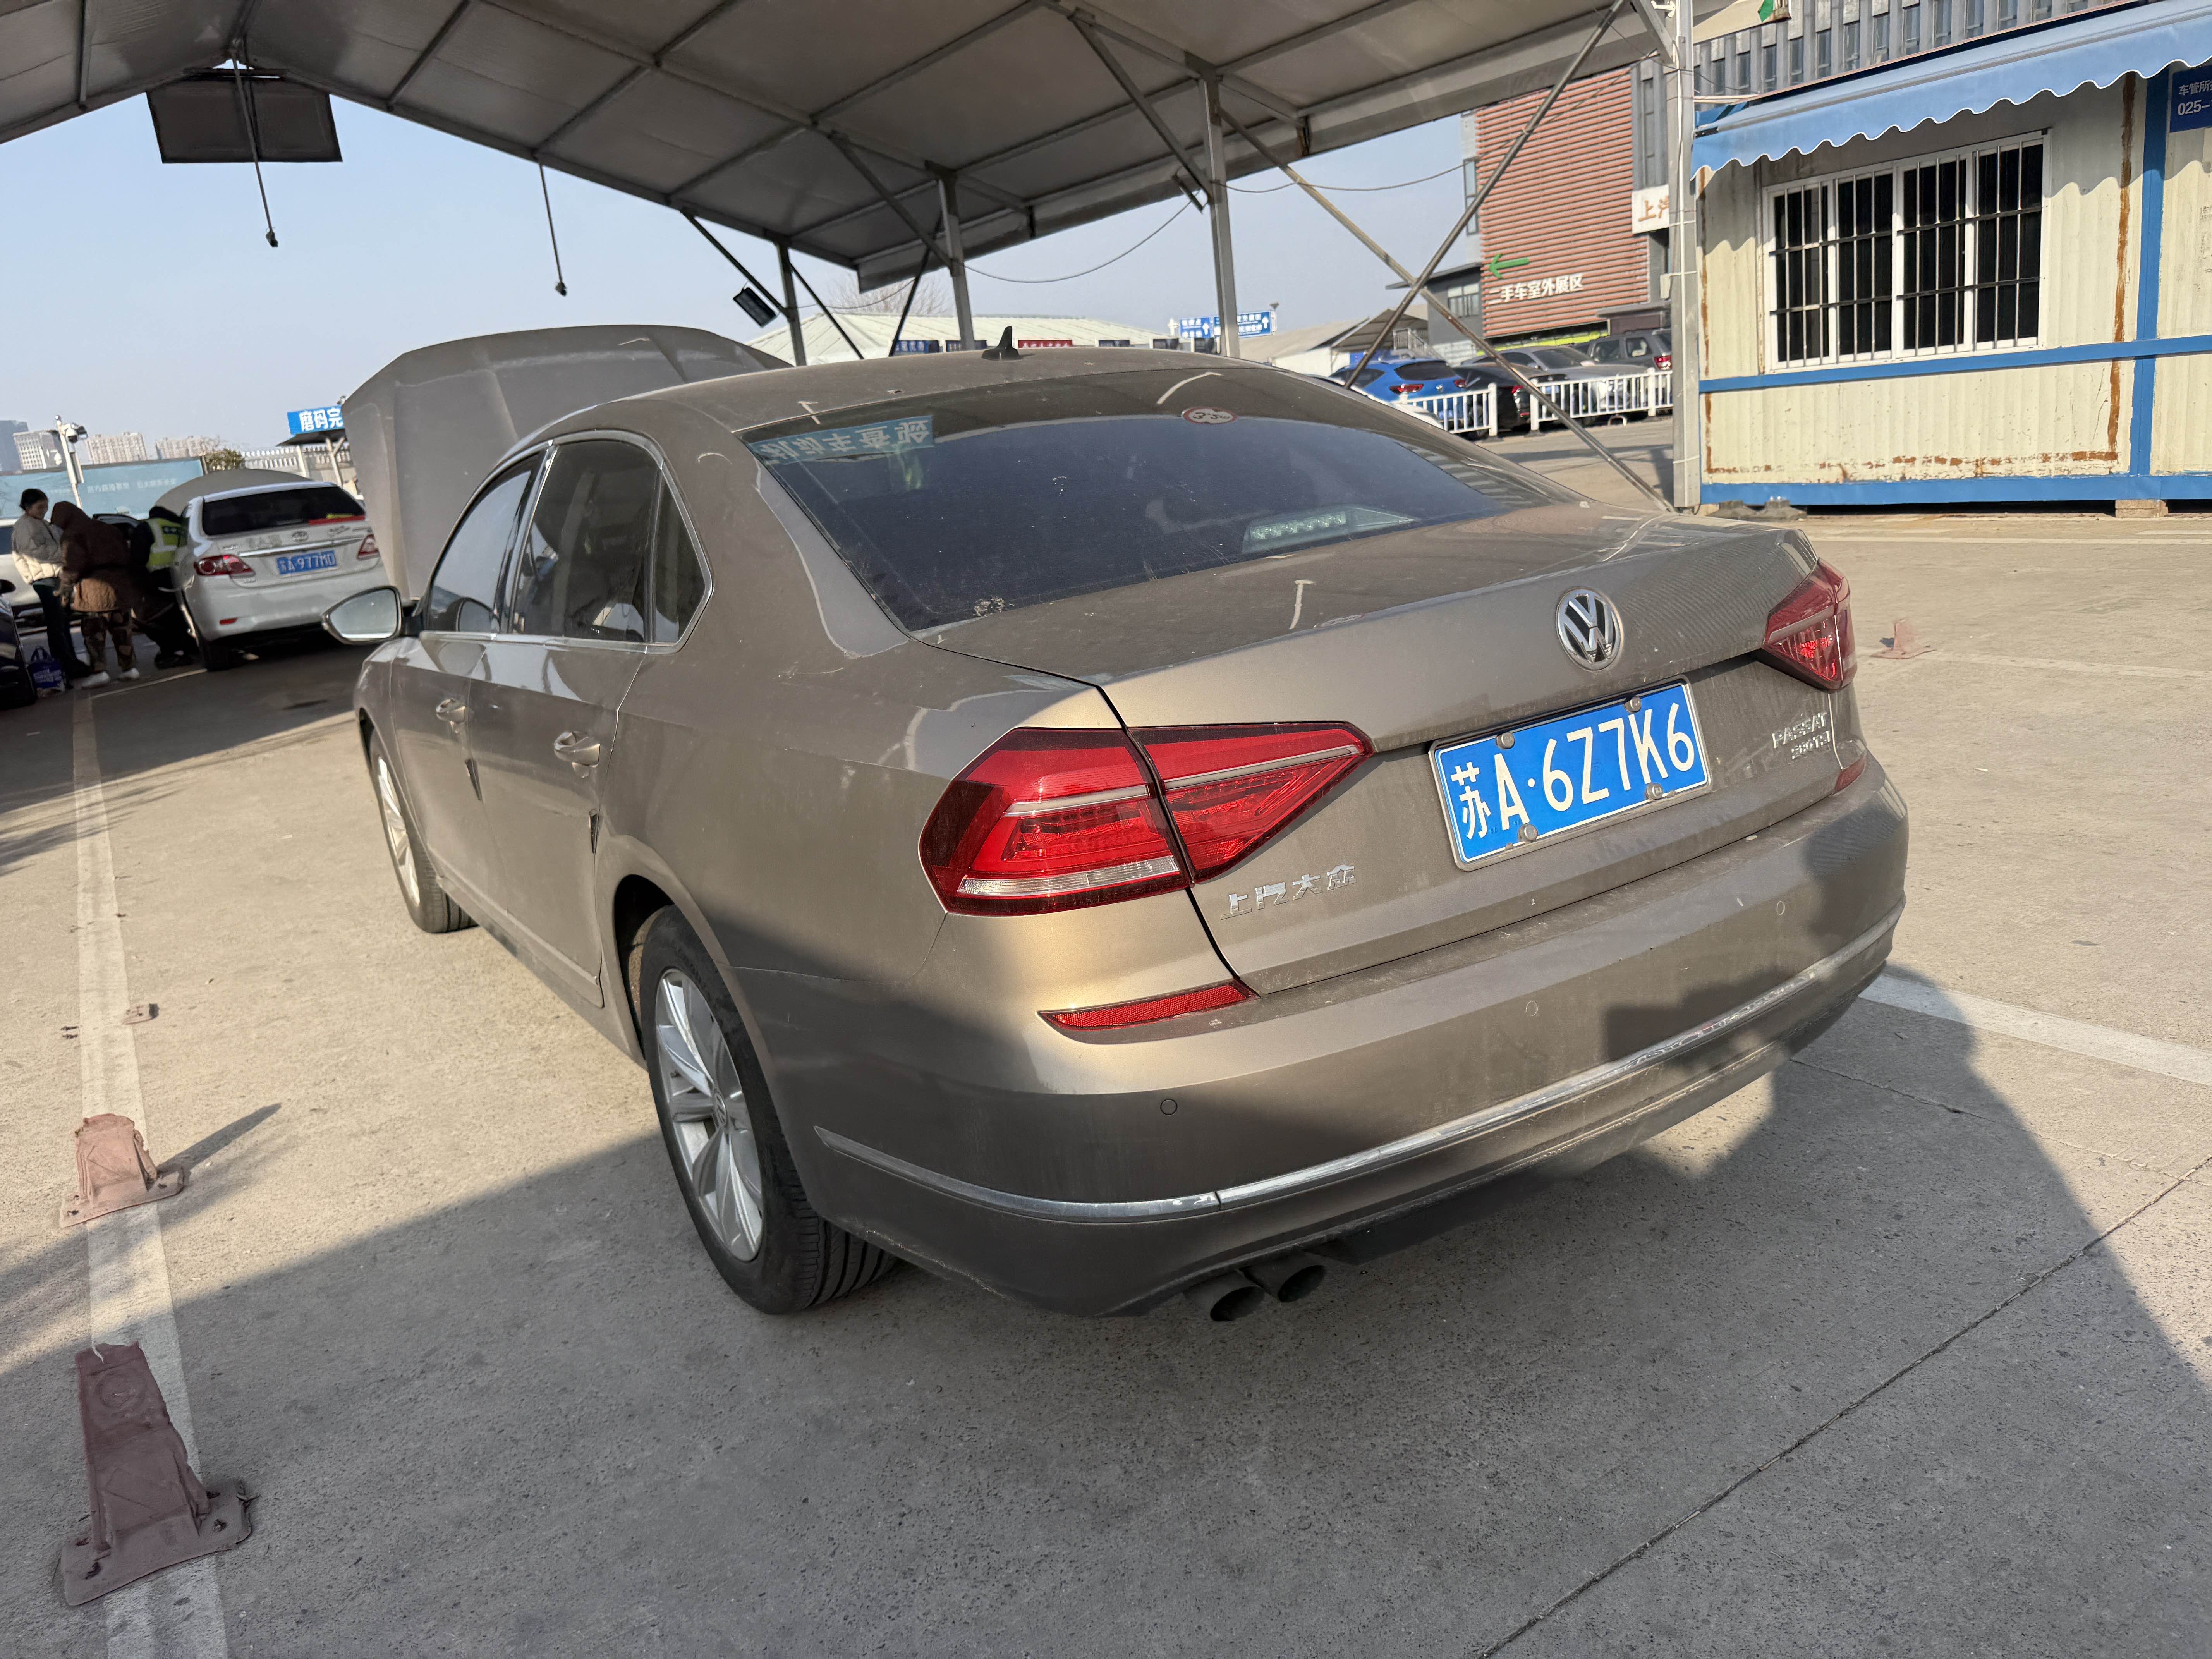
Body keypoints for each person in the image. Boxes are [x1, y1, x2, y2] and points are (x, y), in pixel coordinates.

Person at [51, 500, 140, 686]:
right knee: (122, 629)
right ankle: (129, 669)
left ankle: (100, 672)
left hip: (95, 590)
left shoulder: (73, 535)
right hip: (121, 587)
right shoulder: (108, 528)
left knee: (94, 633)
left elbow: (73, 566)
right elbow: (127, 553)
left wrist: (63, 590)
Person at [9, 489, 94, 680]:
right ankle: (66, 664)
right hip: (45, 580)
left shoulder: (41, 524)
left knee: (62, 621)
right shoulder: (25, 527)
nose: (44, 511)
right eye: (40, 507)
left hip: (56, 576)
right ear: (27, 507)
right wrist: (65, 553)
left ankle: (71, 662)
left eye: (46, 507)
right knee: (57, 622)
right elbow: (35, 552)